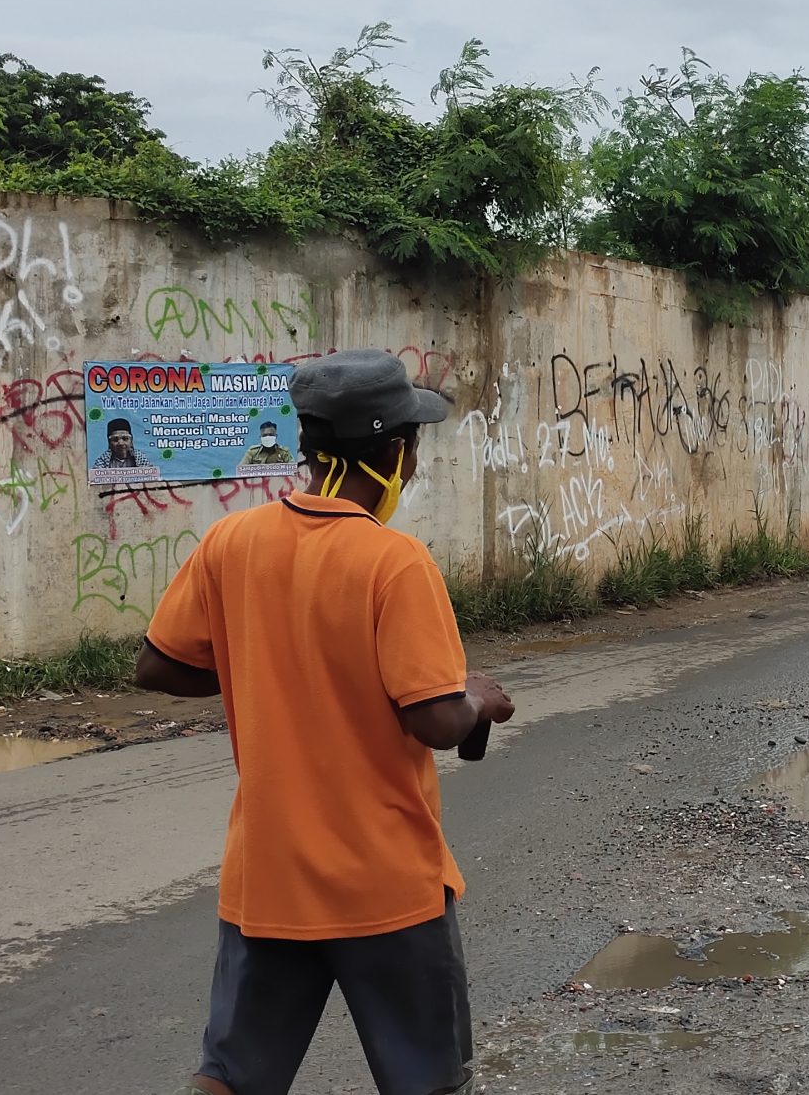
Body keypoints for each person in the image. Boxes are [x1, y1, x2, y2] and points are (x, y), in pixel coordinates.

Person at [136, 349, 512, 1095]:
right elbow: (436, 721)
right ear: (395, 452)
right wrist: (482, 700)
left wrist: (264, 658)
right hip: (386, 887)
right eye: (414, 443)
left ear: (309, 445)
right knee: (427, 1080)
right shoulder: (394, 562)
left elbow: (159, 666)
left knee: (231, 1079)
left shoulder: (230, 542)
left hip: (270, 877)